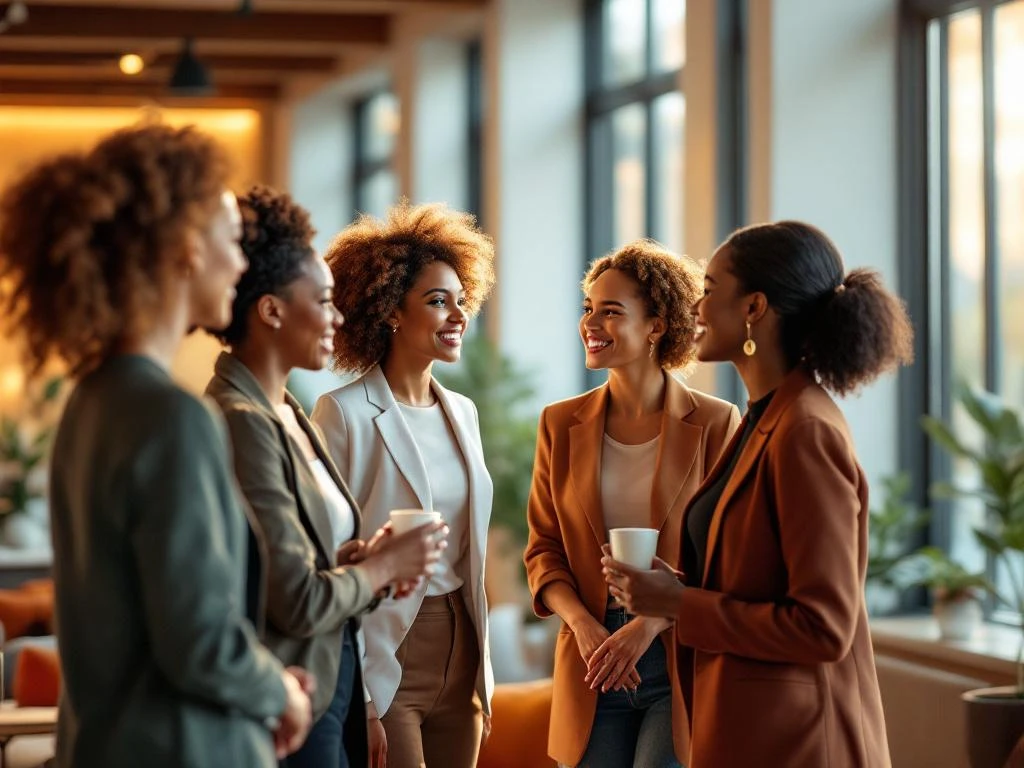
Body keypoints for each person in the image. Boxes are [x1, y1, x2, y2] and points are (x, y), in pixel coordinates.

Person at [0, 124, 313, 767]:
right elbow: (198, 642)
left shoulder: (91, 404)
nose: (242, 265)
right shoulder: (172, 417)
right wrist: (279, 691)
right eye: (232, 242)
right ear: (184, 249)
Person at [603, 221, 912, 767]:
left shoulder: (804, 430)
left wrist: (679, 604)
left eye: (711, 287)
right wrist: (673, 588)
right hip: (757, 729)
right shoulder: (763, 420)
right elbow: (759, 578)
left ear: (754, 308)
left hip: (799, 741)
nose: (696, 305)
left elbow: (823, 627)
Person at [205, 185, 447, 768]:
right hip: (290, 692)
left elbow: (304, 563)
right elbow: (295, 599)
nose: (338, 317)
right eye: (324, 300)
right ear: (272, 310)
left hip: (331, 676)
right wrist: (382, 567)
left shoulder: (286, 411)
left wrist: (363, 557)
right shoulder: (241, 422)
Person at [524, 240, 739, 768]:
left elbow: (727, 557)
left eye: (611, 311)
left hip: (677, 656)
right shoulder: (559, 423)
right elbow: (543, 551)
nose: (591, 323)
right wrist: (584, 625)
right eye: (589, 309)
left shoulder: (717, 423)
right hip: (591, 659)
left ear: (657, 326)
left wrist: (646, 625)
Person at [311, 201, 496, 768]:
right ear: (391, 310)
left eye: (460, 301)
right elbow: (326, 556)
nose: (456, 315)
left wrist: (479, 672)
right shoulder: (341, 413)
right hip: (385, 652)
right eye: (437, 302)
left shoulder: (462, 411)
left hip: (461, 649)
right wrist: (360, 697)